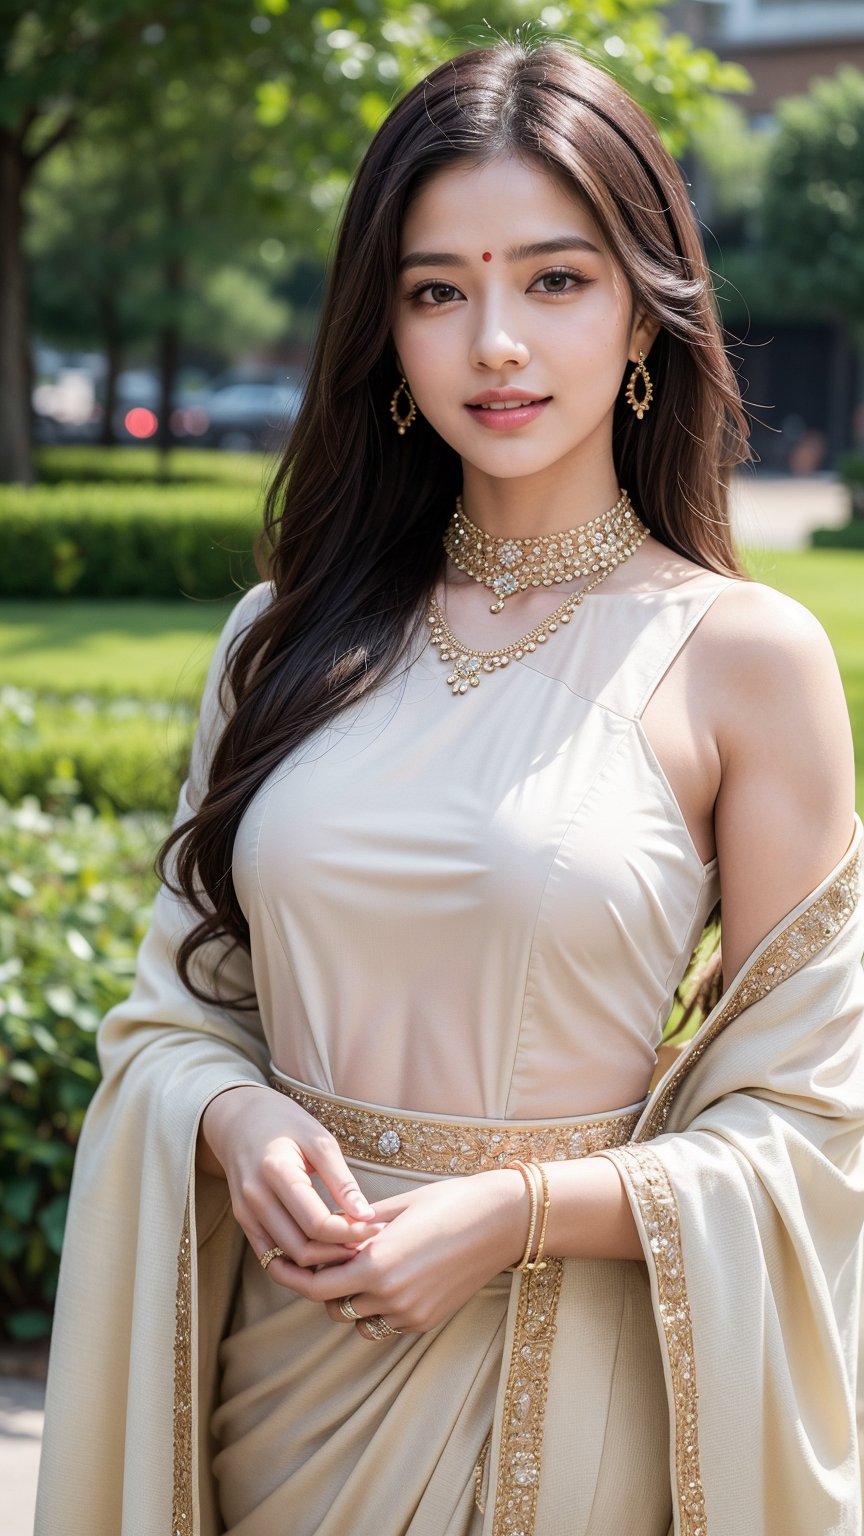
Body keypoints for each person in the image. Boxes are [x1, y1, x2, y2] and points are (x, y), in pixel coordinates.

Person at [35, 35, 864, 1536]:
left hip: (559, 1404)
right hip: (273, 1392)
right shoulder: (281, 639)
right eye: (438, 290)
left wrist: (516, 1215)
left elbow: (812, 1130)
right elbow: (180, 1011)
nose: (495, 342)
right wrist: (227, 1120)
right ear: (388, 336)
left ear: (643, 319)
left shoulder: (746, 661)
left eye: (554, 280)